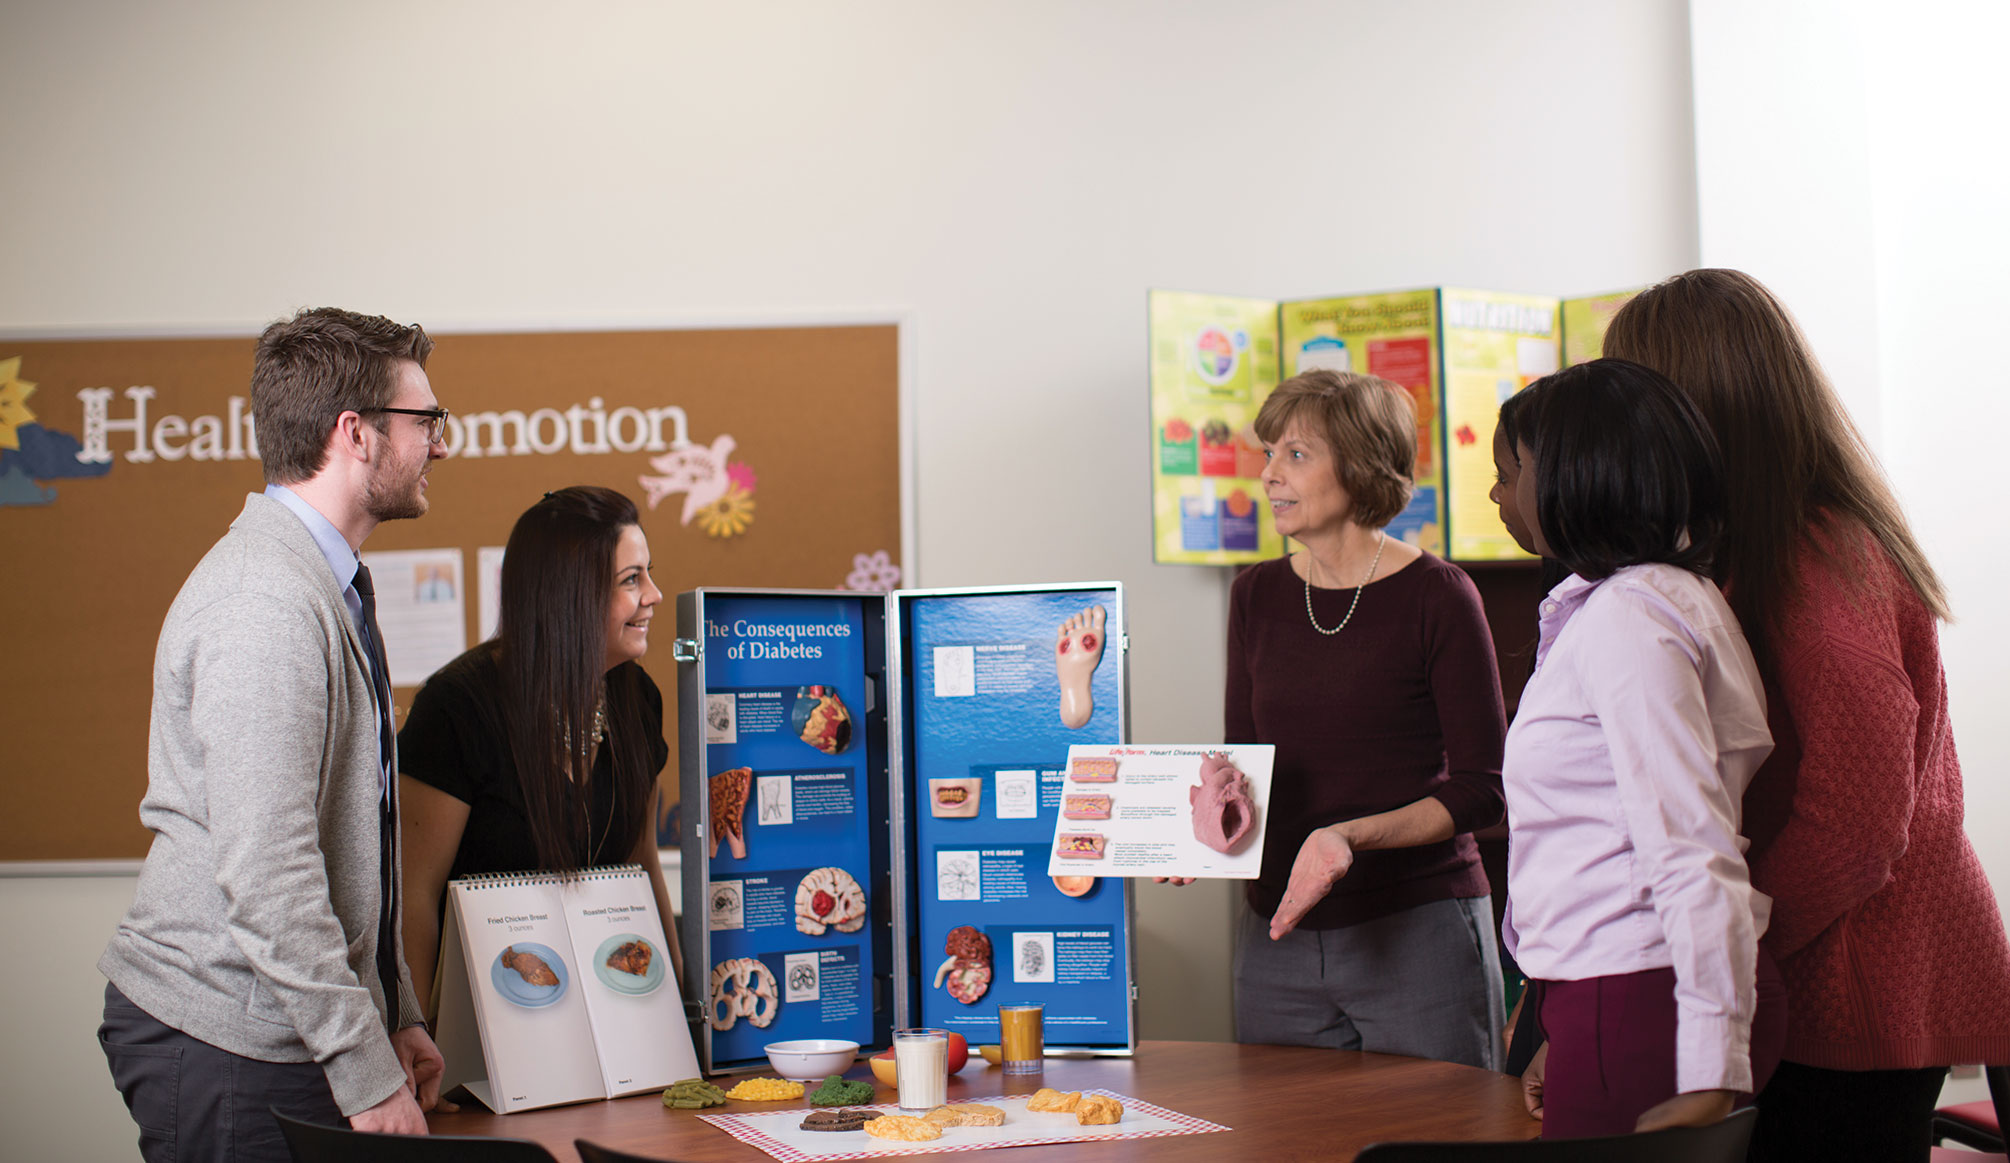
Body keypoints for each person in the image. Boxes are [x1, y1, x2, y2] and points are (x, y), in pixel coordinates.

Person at [1603, 269, 2010, 1161]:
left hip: (1861, 979)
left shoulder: (1819, 557)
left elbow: (1861, 824)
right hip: (1837, 970)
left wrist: (1721, 945)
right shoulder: (1766, 541)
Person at [97, 308, 452, 1159]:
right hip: (231, 1041)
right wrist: (364, 1068)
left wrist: (391, 1010)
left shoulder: (321, 581)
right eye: (427, 421)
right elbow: (269, 870)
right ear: (355, 433)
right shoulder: (266, 599)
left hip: (286, 1020)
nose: (443, 444)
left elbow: (358, 839)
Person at [1491, 358, 1786, 1138]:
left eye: (1510, 472)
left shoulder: (1630, 618)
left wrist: (1709, 1070)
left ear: (1574, 476)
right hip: (1616, 993)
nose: (1500, 495)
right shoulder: (1654, 597)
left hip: (1644, 993)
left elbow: (1690, 845)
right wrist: (1564, 1022)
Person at [1215, 368, 1508, 1069]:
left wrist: (1348, 837)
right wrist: (1190, 827)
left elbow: (1483, 788)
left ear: (1360, 463)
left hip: (1418, 931)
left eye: (1296, 453)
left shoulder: (1440, 595)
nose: (1269, 476)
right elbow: (1241, 766)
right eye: (1268, 453)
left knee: (1441, 1146)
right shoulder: (1255, 593)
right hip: (1278, 937)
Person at [397, 485, 683, 1023]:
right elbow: (414, 896)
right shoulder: (457, 707)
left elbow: (642, 863)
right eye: (631, 580)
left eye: (647, 573)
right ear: (569, 594)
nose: (654, 594)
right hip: (485, 1029)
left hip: (613, 1015)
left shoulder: (639, 699)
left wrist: (681, 1010)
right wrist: (417, 1036)